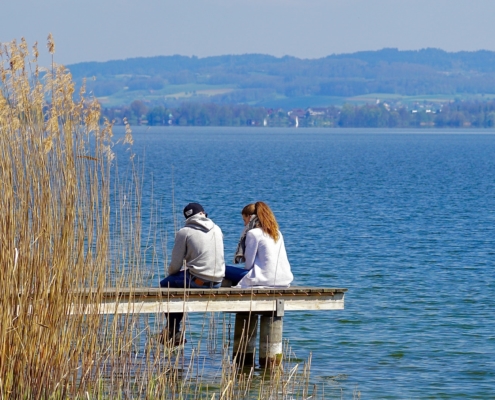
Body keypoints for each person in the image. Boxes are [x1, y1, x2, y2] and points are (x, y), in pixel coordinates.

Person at [159, 202, 225, 346]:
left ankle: (172, 330)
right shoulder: (217, 229)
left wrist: (171, 273)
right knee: (179, 284)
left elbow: (175, 266)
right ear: (203, 214)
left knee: (166, 284)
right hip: (218, 280)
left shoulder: (185, 232)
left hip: (198, 280)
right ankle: (173, 331)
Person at [225, 201, 293, 288]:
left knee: (222, 269)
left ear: (250, 217)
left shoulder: (253, 233)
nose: (244, 224)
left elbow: (249, 264)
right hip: (283, 279)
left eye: (244, 220)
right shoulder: (277, 233)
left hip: (264, 279)